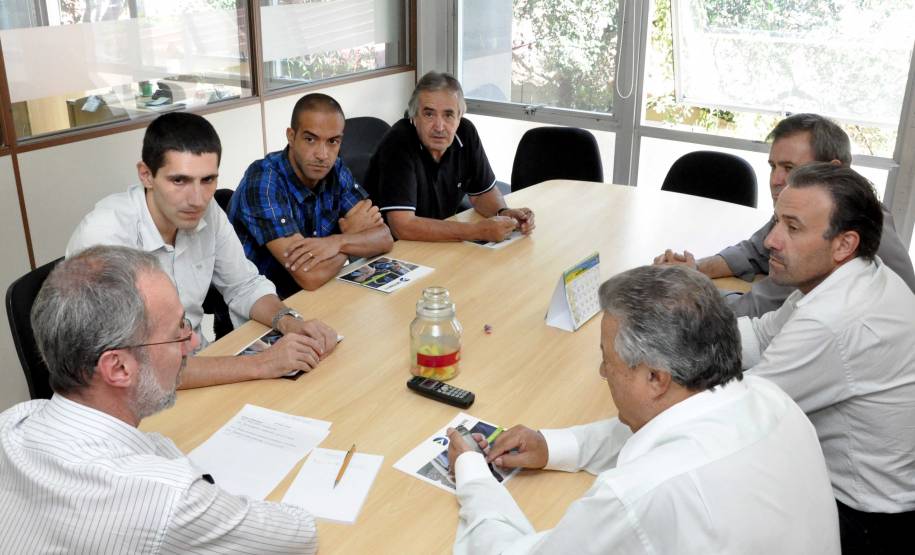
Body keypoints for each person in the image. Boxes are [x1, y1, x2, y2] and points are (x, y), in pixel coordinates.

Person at [447, 265, 839, 554]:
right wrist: (552, 446)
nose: (602, 372)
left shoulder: (638, 494)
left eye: (608, 361)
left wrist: (472, 475)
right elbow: (668, 434)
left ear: (656, 378)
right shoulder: (770, 399)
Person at [0, 245, 318, 553]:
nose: (192, 340)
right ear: (119, 367)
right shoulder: (166, 496)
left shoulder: (12, 423)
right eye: (177, 331)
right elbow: (298, 536)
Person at [66, 112, 337, 389]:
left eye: (207, 180)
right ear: (146, 175)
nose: (197, 199)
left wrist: (289, 321)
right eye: (179, 181)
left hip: (196, 366)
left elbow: (243, 285)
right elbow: (134, 366)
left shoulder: (207, 211)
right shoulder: (103, 238)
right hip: (129, 395)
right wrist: (263, 363)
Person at [737, 163, 915, 553]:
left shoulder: (833, 319)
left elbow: (739, 417)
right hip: (857, 493)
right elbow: (761, 336)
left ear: (843, 244)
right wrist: (678, 337)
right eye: (776, 222)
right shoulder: (853, 275)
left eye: (792, 228)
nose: (770, 240)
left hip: (863, 522)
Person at [653, 113, 915, 317]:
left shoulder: (838, 230)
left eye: (790, 167)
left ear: (833, 170)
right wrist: (696, 269)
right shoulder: (810, 208)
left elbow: (750, 312)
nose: (777, 180)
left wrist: (691, 286)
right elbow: (754, 250)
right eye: (773, 166)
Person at [230, 93, 393, 297]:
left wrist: (337, 243)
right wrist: (352, 239)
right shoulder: (264, 181)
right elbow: (310, 275)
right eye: (310, 139)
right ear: (291, 136)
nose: (322, 154)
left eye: (333, 141)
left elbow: (384, 238)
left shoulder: (335, 169)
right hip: (260, 310)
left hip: (320, 294)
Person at [363, 71, 536, 242]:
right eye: (429, 114)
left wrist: (503, 213)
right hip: (394, 249)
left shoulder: (466, 133)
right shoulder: (397, 142)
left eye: (448, 115)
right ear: (414, 117)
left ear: (459, 117)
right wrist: (477, 231)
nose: (439, 126)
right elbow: (403, 226)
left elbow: (482, 193)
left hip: (439, 240)